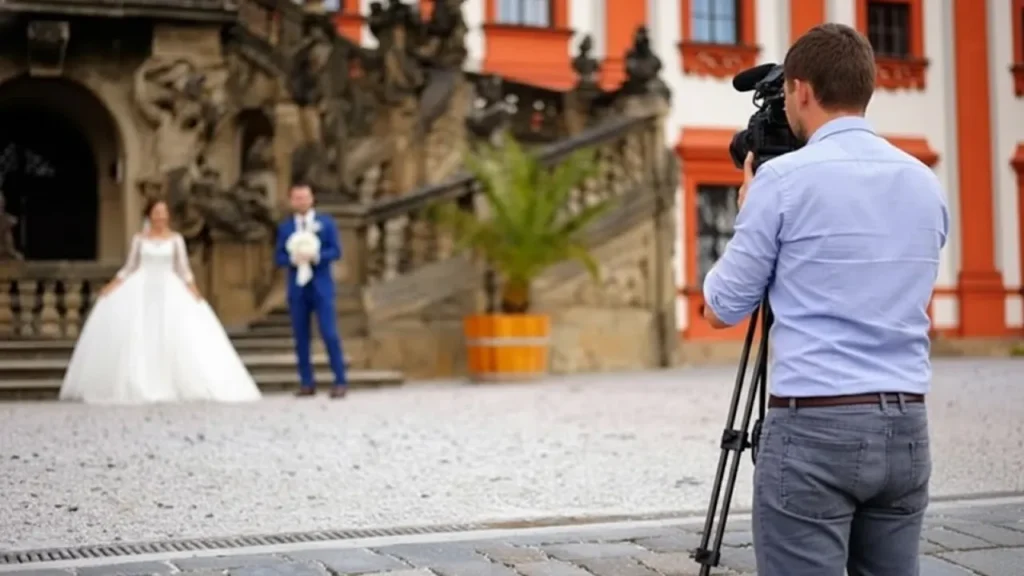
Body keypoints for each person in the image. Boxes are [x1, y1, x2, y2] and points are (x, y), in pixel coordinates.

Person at [701, 24, 949, 576]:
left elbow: (720, 308)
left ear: (801, 90)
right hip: (907, 427)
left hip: (816, 427)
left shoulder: (783, 182)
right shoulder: (924, 182)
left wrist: (750, 209)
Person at [60, 200, 262, 404]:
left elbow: (183, 270)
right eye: (157, 212)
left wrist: (195, 293)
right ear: (149, 215)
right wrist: (113, 285)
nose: (161, 217)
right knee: (141, 333)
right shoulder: (139, 239)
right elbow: (130, 267)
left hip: (169, 288)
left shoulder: (176, 240)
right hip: (142, 288)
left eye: (164, 212)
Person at [274, 183, 348, 398]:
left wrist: (316, 257)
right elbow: (278, 257)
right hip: (297, 287)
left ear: (312, 199)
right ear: (291, 201)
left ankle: (340, 380)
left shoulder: (326, 223)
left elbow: (336, 251)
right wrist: (292, 259)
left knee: (329, 333)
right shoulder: (286, 228)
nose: (301, 201)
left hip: (322, 286)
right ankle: (307, 382)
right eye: (297, 198)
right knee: (300, 336)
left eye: (304, 197)